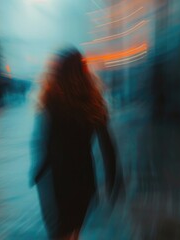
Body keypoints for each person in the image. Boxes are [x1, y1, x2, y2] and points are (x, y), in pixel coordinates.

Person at [30, 47, 117, 240]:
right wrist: (112, 178)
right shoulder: (92, 103)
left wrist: (37, 171)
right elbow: (107, 145)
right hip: (84, 178)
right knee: (74, 229)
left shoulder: (52, 100)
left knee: (59, 231)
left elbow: (45, 142)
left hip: (57, 180)